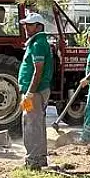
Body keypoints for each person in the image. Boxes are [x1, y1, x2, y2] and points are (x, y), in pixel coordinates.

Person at [18, 12, 53, 169]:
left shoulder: (38, 44)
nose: (26, 27)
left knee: (32, 124)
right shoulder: (36, 42)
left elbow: (37, 71)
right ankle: (38, 158)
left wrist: (30, 93)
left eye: (30, 25)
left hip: (35, 92)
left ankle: (33, 160)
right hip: (35, 91)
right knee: (35, 123)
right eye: (26, 24)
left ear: (39, 27)